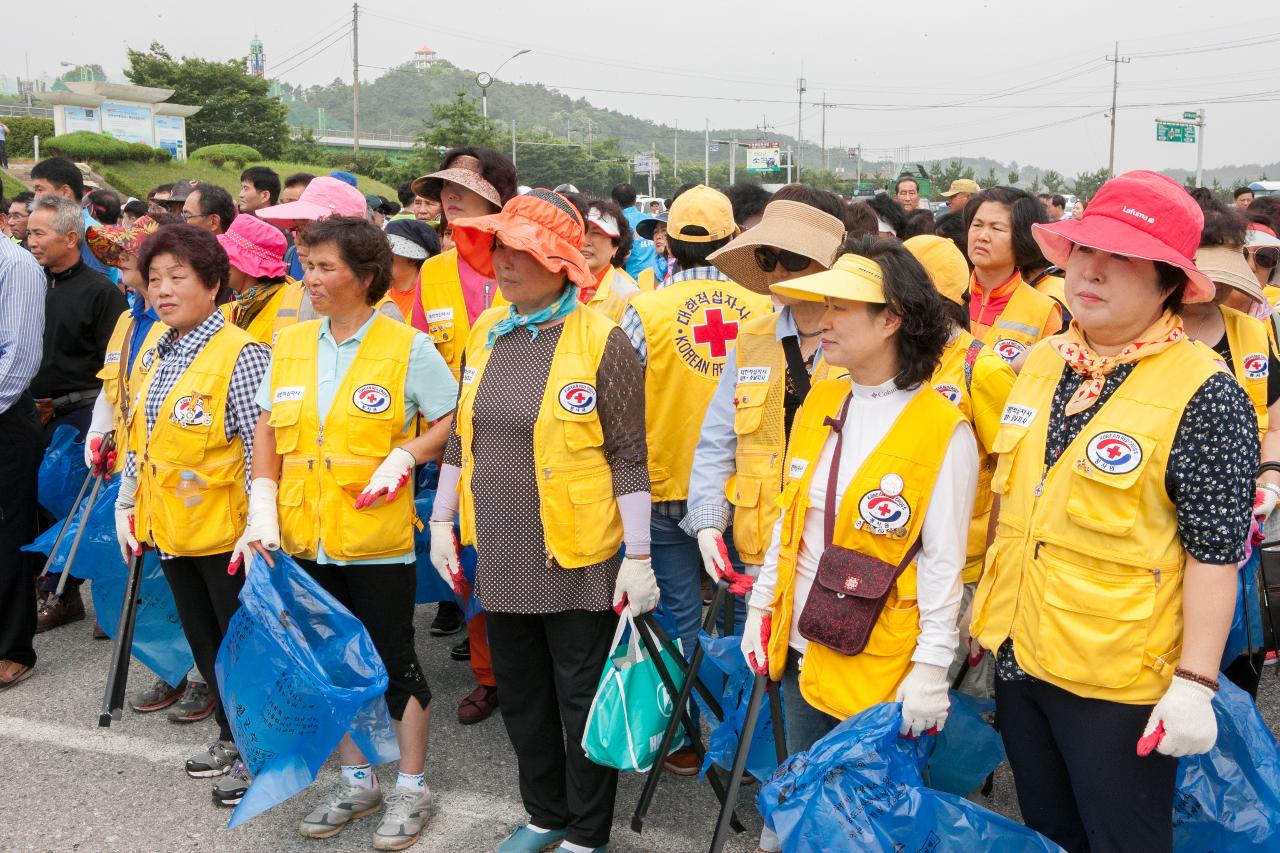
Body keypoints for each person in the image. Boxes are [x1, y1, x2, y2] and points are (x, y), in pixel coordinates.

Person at [969, 170, 1258, 852]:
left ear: (1167, 281)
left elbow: (1215, 554)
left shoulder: (1205, 393)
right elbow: (1017, 499)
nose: (1090, 272)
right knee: (1050, 828)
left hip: (1117, 676)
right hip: (1021, 655)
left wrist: (1194, 681)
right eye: (1083, 252)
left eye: (1120, 257)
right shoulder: (1043, 361)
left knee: (1124, 838)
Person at [427, 189, 653, 853]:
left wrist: (637, 557)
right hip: (499, 548)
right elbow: (462, 440)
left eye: (522, 250)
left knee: (581, 696)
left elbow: (629, 455)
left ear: (561, 261)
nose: (504, 261)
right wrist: (442, 521)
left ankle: (586, 830)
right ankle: (544, 811)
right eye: (498, 247)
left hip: (580, 554)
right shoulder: (485, 331)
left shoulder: (602, 338)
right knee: (522, 695)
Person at [745, 238, 977, 853]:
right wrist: (760, 609)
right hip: (797, 642)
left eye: (843, 308)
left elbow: (943, 563)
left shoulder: (942, 430)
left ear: (891, 319)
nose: (823, 320)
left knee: (868, 819)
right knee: (798, 797)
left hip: (880, 659)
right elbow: (789, 521)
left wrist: (931, 667)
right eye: (824, 304)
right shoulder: (822, 401)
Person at [243, 215, 456, 847]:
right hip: (304, 537)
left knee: (394, 663)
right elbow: (267, 429)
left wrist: (408, 454)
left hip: (374, 539)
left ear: (366, 277)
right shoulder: (292, 343)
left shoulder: (406, 346)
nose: (311, 279)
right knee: (328, 664)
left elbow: (450, 415)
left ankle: (412, 789)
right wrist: (262, 503)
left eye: (325, 267)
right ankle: (357, 781)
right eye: (308, 265)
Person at [115, 223, 271, 806]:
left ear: (213, 283)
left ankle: (260, 749)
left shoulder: (243, 353)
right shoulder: (158, 346)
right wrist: (129, 502)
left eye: (178, 277)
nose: (163, 290)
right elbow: (143, 436)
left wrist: (261, 523)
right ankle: (234, 735)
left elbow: (264, 448)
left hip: (227, 534)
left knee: (242, 646)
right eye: (155, 279)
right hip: (173, 527)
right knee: (207, 645)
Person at [621, 185, 772, 773]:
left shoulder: (644, 309)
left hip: (663, 488)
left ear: (667, 242)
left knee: (678, 616)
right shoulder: (760, 309)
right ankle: (740, 735)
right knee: (743, 620)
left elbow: (622, 399)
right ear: (734, 239)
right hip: (741, 490)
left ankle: (685, 737)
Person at [686, 188, 846, 606]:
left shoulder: (861, 341)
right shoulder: (753, 339)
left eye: (791, 258)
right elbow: (718, 440)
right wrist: (707, 524)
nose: (776, 270)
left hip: (836, 555)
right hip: (758, 555)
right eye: (765, 258)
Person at [410, 145, 518, 720]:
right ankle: (488, 674)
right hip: (457, 444)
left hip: (527, 441)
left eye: (463, 186)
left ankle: (526, 673)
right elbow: (419, 357)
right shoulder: (432, 271)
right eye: (442, 190)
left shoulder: (526, 257)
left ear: (498, 192)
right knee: (470, 561)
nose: (448, 199)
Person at [904, 235, 1017, 696]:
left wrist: (990, 589)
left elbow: (1012, 474)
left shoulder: (981, 369)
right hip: (899, 560)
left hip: (962, 571)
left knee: (945, 707)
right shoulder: (894, 361)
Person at [25, 195, 129, 629]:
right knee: (33, 504)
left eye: (38, 233)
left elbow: (116, 364)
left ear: (71, 238)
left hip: (80, 411)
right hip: (27, 410)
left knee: (73, 507)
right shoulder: (26, 283)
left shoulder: (100, 291)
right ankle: (49, 587)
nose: (29, 240)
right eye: (27, 231)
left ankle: (73, 593)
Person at [0, 236, 46, 689]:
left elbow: (18, 360)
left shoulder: (15, 265)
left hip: (4, 416)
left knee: (7, 535)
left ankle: (12, 647)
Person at [965, 186, 1064, 370]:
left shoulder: (1044, 311)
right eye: (977, 225)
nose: (982, 236)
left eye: (996, 228)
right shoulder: (945, 294)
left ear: (1022, 238)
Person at [216, 212, 297, 346]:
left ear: (245, 264)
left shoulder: (289, 306)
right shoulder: (236, 306)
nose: (217, 262)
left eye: (224, 256)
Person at [30, 156, 111, 276]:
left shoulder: (94, 234)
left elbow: (94, 287)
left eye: (40, 189)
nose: (36, 197)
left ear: (65, 192)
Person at [577, 198, 639, 322]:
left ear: (615, 247)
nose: (585, 241)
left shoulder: (629, 295)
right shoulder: (558, 284)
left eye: (597, 233)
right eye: (582, 231)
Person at [384, 218, 441, 325]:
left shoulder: (433, 300)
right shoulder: (375, 296)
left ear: (413, 259)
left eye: (389, 253)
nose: (381, 257)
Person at [613, 183, 656, 281]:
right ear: (635, 199)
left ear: (614, 202)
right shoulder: (649, 219)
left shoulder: (618, 222)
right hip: (655, 278)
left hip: (632, 280)